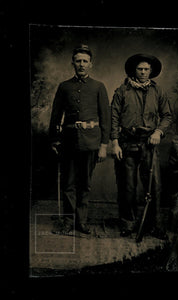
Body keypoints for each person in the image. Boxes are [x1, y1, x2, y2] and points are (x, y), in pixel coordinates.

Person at [49, 44, 110, 234]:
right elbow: (55, 115)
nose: (81, 64)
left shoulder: (98, 87)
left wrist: (103, 145)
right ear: (73, 63)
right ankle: (68, 221)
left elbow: (105, 118)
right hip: (68, 142)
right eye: (78, 61)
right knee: (68, 183)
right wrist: (54, 140)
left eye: (85, 61)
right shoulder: (64, 86)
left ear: (91, 64)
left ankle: (81, 222)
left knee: (85, 184)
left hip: (91, 142)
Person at [111, 53, 172, 237]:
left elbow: (167, 116)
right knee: (127, 186)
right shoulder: (122, 91)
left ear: (151, 71)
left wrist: (158, 132)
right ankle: (128, 224)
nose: (143, 72)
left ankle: (153, 224)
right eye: (140, 69)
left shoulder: (158, 91)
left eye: (146, 69)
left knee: (154, 186)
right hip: (127, 142)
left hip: (149, 144)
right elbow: (113, 117)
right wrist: (115, 142)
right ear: (134, 70)